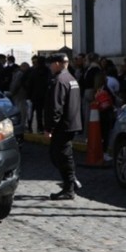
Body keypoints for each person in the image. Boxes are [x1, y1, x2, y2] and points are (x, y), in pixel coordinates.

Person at [45, 55, 83, 200]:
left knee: (61, 156)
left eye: (51, 64)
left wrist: (50, 128)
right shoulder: (71, 78)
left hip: (63, 125)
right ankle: (71, 181)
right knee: (60, 155)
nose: (50, 67)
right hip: (71, 122)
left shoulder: (59, 80)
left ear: (57, 63)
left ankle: (69, 187)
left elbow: (56, 107)